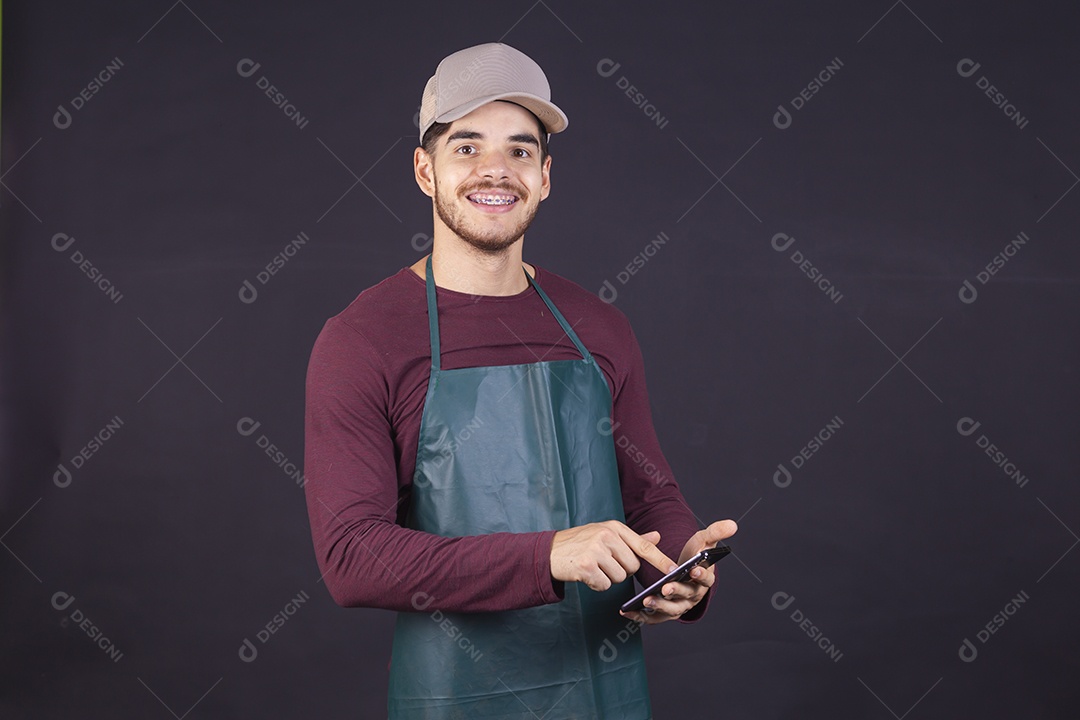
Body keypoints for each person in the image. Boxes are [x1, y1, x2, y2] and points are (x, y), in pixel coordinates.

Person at [303, 41, 737, 720]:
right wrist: (550, 555)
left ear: (544, 176)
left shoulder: (599, 325)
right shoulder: (362, 339)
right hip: (453, 697)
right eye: (467, 147)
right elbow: (352, 556)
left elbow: (649, 494)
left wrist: (680, 562)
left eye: (520, 150)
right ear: (425, 170)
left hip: (603, 693)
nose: (496, 171)